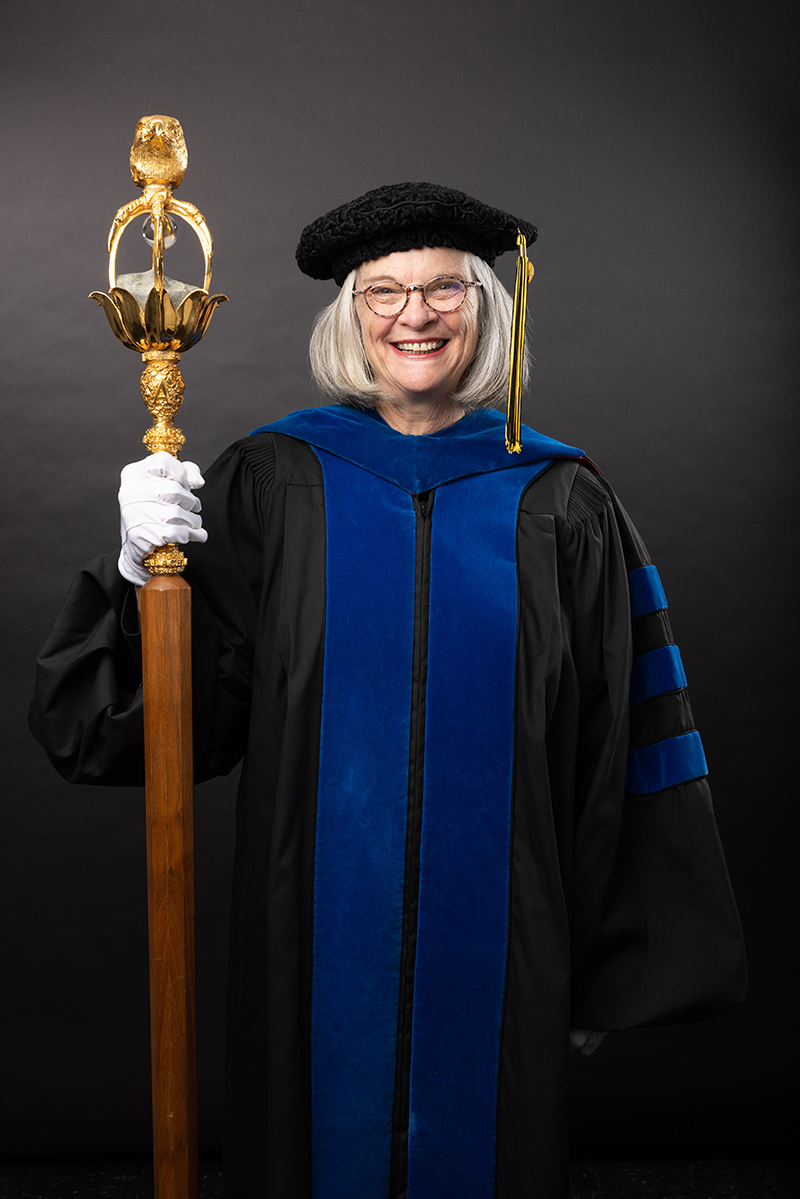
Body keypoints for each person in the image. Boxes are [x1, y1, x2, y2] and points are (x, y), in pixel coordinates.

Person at [30, 182, 746, 1199]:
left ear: (485, 309)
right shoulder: (275, 482)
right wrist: (143, 572)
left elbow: (614, 736)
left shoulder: (561, 499)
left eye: (445, 288)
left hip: (505, 940)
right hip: (310, 941)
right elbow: (182, 718)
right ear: (350, 315)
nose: (415, 314)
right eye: (384, 292)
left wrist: (598, 957)